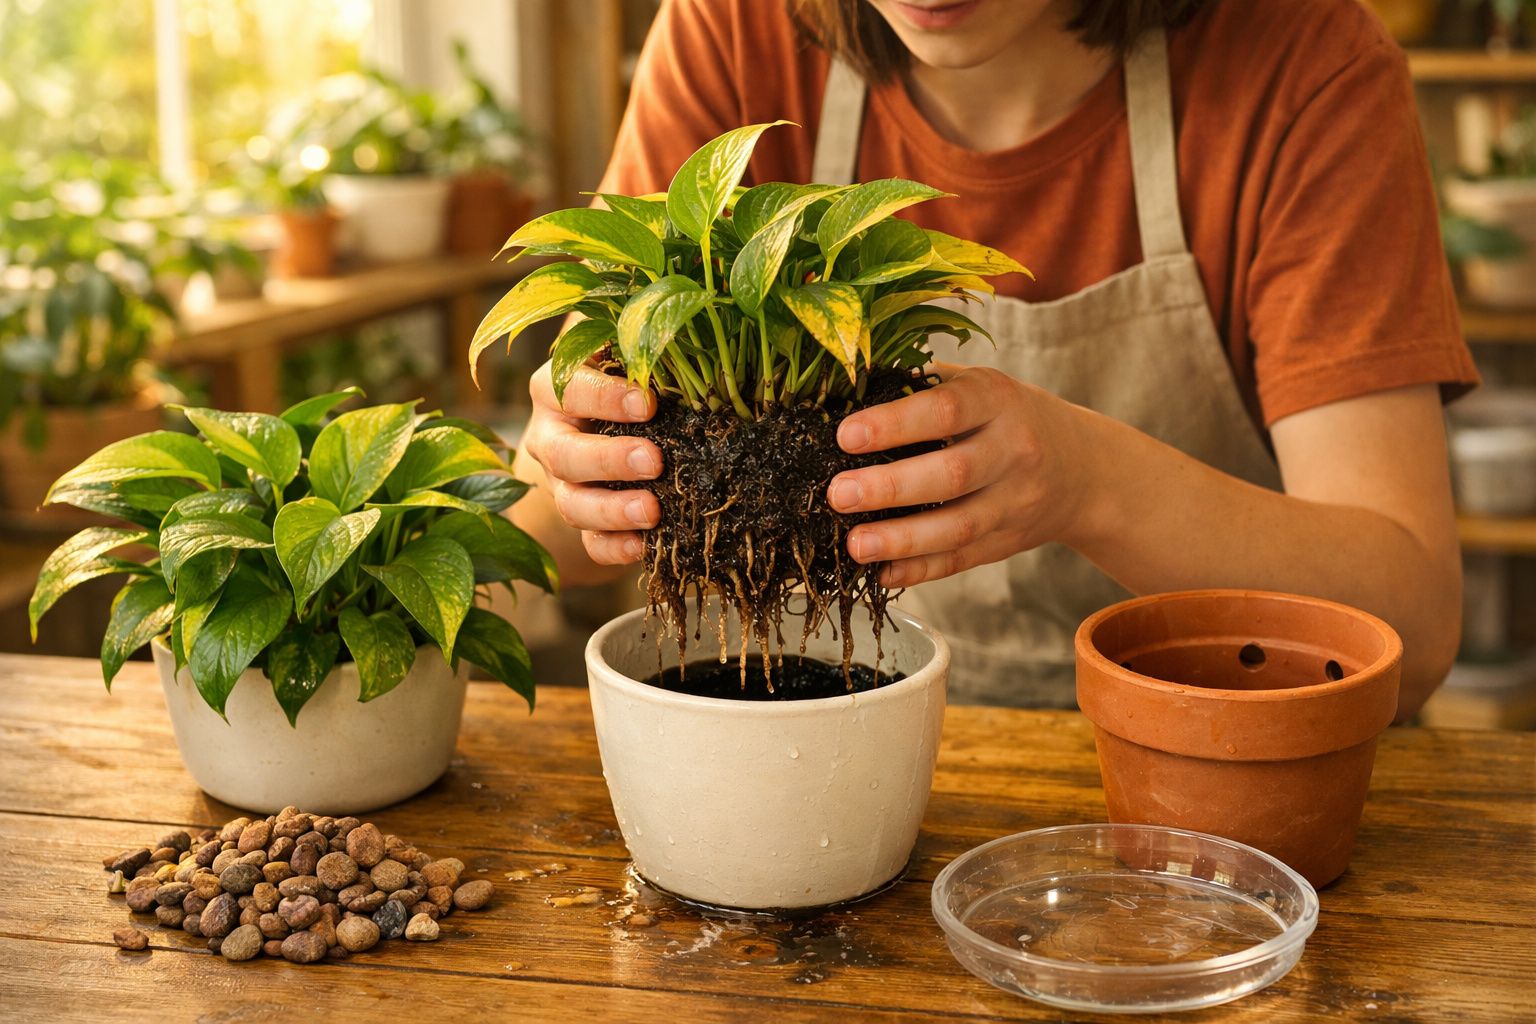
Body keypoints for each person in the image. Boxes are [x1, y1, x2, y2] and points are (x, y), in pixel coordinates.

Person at [510, 0, 1479, 720]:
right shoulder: (735, 28)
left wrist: (1090, 482)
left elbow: (1412, 632)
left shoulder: (1299, 63)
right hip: (805, 736)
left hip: (1194, 754)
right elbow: (549, 526)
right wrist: (577, 466)